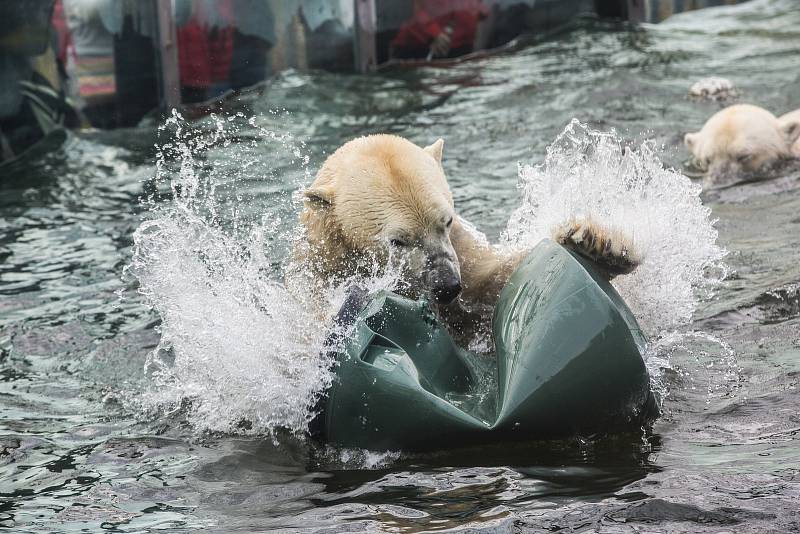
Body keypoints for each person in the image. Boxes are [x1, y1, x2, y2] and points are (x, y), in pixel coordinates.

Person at [389, 0, 488, 60]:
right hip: (418, 48)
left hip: (461, 48)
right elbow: (419, 11)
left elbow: (479, 9)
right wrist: (436, 34)